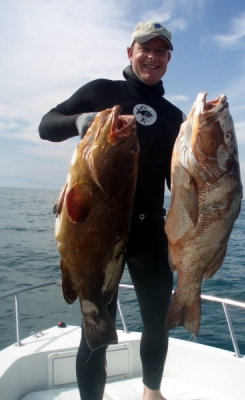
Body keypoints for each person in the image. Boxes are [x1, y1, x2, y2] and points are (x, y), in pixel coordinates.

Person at [39, 21, 185, 400]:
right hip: (97, 229)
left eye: (161, 51)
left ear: (169, 58)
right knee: (96, 322)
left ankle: (151, 393)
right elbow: (46, 125)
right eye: (145, 49)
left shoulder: (175, 117)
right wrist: (79, 123)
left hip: (149, 230)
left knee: (157, 321)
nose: (152, 57)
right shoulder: (101, 91)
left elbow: (179, 184)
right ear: (130, 52)